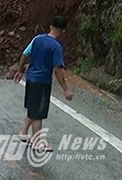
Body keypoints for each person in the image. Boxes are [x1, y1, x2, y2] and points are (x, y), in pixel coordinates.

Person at [14, 15, 73, 152]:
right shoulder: (56, 47)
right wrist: (65, 89)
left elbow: (25, 54)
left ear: (50, 26)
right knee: (39, 113)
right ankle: (36, 143)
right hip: (42, 82)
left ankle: (23, 132)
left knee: (33, 107)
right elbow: (58, 69)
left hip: (31, 79)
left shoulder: (37, 39)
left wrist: (19, 70)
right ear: (63, 31)